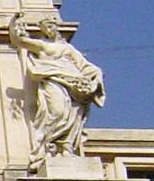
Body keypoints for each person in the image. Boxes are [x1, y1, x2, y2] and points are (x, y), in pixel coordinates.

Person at [8, 13, 104, 168]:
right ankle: (48, 145)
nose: (48, 29)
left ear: (56, 27)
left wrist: (96, 74)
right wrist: (13, 22)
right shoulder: (42, 45)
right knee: (57, 111)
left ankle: (66, 148)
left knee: (73, 114)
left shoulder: (68, 48)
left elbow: (84, 66)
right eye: (45, 27)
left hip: (74, 84)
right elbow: (18, 40)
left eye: (50, 26)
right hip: (53, 81)